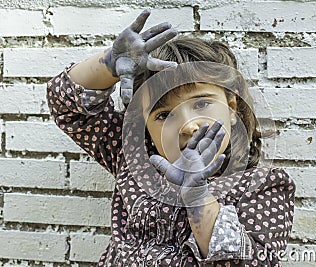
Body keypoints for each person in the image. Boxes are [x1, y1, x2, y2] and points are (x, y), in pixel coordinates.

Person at [47, 10, 295, 267]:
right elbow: (66, 106)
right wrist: (109, 64)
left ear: (231, 107)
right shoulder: (134, 159)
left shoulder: (262, 185)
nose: (187, 127)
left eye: (201, 104)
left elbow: (252, 262)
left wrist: (198, 199)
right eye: (164, 115)